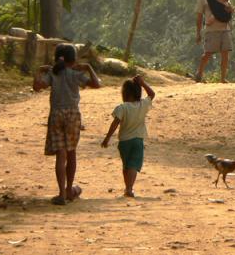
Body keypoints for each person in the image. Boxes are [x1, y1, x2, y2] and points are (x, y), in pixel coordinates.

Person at [33, 43, 101, 205]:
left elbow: (37, 87)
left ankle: (61, 194)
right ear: (74, 60)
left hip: (56, 114)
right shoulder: (75, 74)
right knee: (71, 153)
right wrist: (89, 67)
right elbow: (96, 84)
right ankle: (70, 189)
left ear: (56, 59)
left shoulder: (52, 73)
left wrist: (38, 71)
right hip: (72, 115)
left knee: (61, 155)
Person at [101, 75, 155, 198]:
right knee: (133, 165)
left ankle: (127, 188)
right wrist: (143, 83)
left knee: (126, 165)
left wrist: (107, 138)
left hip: (124, 141)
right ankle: (129, 188)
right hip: (137, 140)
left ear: (125, 93)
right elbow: (152, 94)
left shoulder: (122, 107)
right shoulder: (143, 105)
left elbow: (114, 124)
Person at [195, 0, 234, 83]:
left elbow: (230, 9)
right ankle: (199, 73)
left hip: (224, 29)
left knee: (225, 53)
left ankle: (222, 78)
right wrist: (198, 33)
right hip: (211, 30)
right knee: (208, 53)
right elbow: (199, 17)